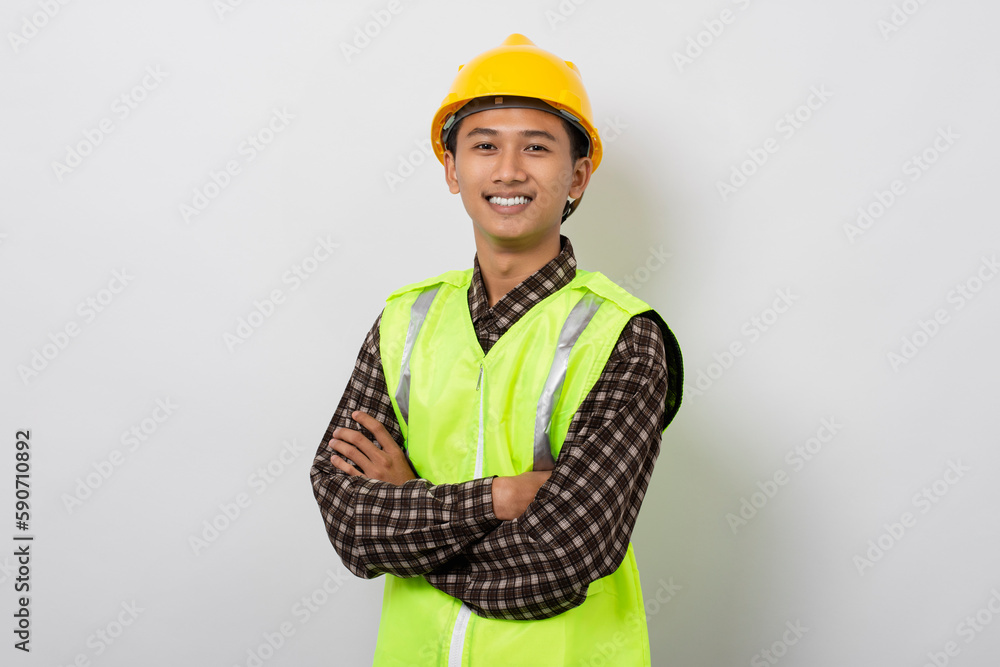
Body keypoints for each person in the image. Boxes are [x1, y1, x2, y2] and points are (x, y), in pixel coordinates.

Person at [310, 33, 683, 666]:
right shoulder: (405, 320)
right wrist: (499, 499)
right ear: (452, 169)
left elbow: (556, 562)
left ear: (578, 175)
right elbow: (350, 526)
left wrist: (410, 507)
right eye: (484, 145)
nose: (509, 170)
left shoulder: (624, 336)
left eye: (536, 147)